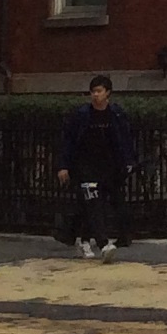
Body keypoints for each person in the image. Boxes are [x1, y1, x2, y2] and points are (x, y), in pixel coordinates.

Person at [56, 74, 138, 260]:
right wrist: (64, 166)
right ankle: (103, 243)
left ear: (108, 93)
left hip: (109, 167)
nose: (95, 95)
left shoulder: (116, 114)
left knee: (97, 205)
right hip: (85, 167)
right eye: (93, 91)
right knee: (93, 202)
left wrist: (128, 162)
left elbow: (124, 139)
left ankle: (84, 240)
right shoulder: (82, 115)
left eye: (99, 91)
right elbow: (68, 141)